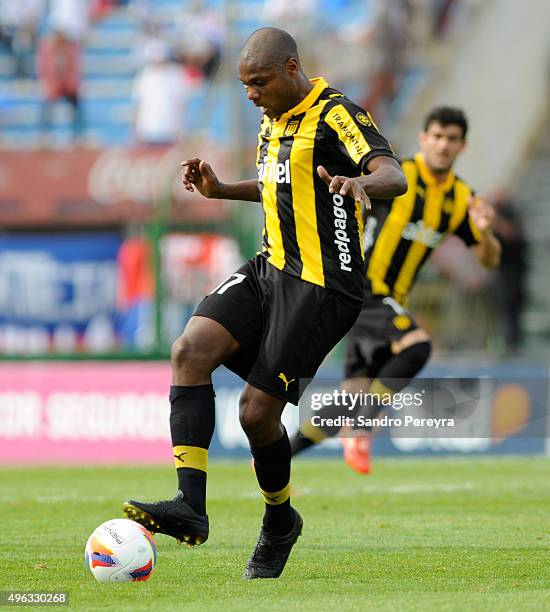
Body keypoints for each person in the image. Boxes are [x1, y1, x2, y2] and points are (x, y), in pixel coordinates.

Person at [122, 26, 407, 579]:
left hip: (323, 284)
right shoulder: (272, 116)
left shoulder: (336, 113)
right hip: (270, 266)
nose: (250, 93)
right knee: (189, 349)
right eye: (244, 84)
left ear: (292, 68)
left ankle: (280, 520)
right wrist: (221, 190)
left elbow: (390, 171)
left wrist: (362, 185)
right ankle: (190, 507)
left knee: (255, 413)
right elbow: (279, 183)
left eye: (258, 82)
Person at [289, 106, 501, 474]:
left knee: (350, 398)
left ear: (462, 145)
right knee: (417, 346)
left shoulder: (460, 198)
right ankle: (364, 425)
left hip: (388, 303)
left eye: (452, 139)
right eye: (437, 136)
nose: (443, 145)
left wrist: (483, 231)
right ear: (423, 138)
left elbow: (488, 260)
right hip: (364, 289)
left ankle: (274, 457)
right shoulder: (395, 177)